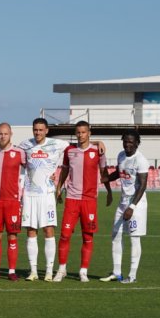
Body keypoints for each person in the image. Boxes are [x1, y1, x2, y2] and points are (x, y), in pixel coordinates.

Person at [54, 121, 111, 282]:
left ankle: (83, 271)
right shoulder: (69, 151)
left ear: (89, 133)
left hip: (89, 200)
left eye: (84, 132)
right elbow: (64, 170)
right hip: (72, 199)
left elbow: (104, 172)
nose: (81, 135)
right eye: (78, 132)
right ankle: (62, 269)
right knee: (64, 235)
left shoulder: (98, 151)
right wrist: (59, 188)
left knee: (88, 236)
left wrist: (108, 191)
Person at [20, 118, 69, 281]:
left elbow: (78, 147)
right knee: (31, 231)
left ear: (47, 130)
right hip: (29, 194)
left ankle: (48, 271)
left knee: (48, 230)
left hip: (47, 194)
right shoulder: (25, 145)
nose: (38, 133)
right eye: (35, 130)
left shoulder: (57, 144)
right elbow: (8, 151)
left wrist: (96, 142)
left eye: (41, 130)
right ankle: (33, 271)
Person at [100, 131, 148, 284]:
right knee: (116, 235)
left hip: (136, 205)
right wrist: (107, 178)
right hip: (122, 203)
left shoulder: (141, 160)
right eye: (125, 141)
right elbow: (119, 173)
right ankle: (116, 272)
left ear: (137, 143)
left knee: (134, 238)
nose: (127, 144)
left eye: (130, 142)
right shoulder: (121, 155)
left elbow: (142, 185)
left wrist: (132, 207)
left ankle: (132, 276)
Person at [0, 123, 26, 280]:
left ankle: (11, 271)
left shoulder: (19, 153)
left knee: (12, 236)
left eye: (5, 134)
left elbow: (33, 168)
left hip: (12, 201)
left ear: (11, 134)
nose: (2, 136)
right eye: (0, 134)